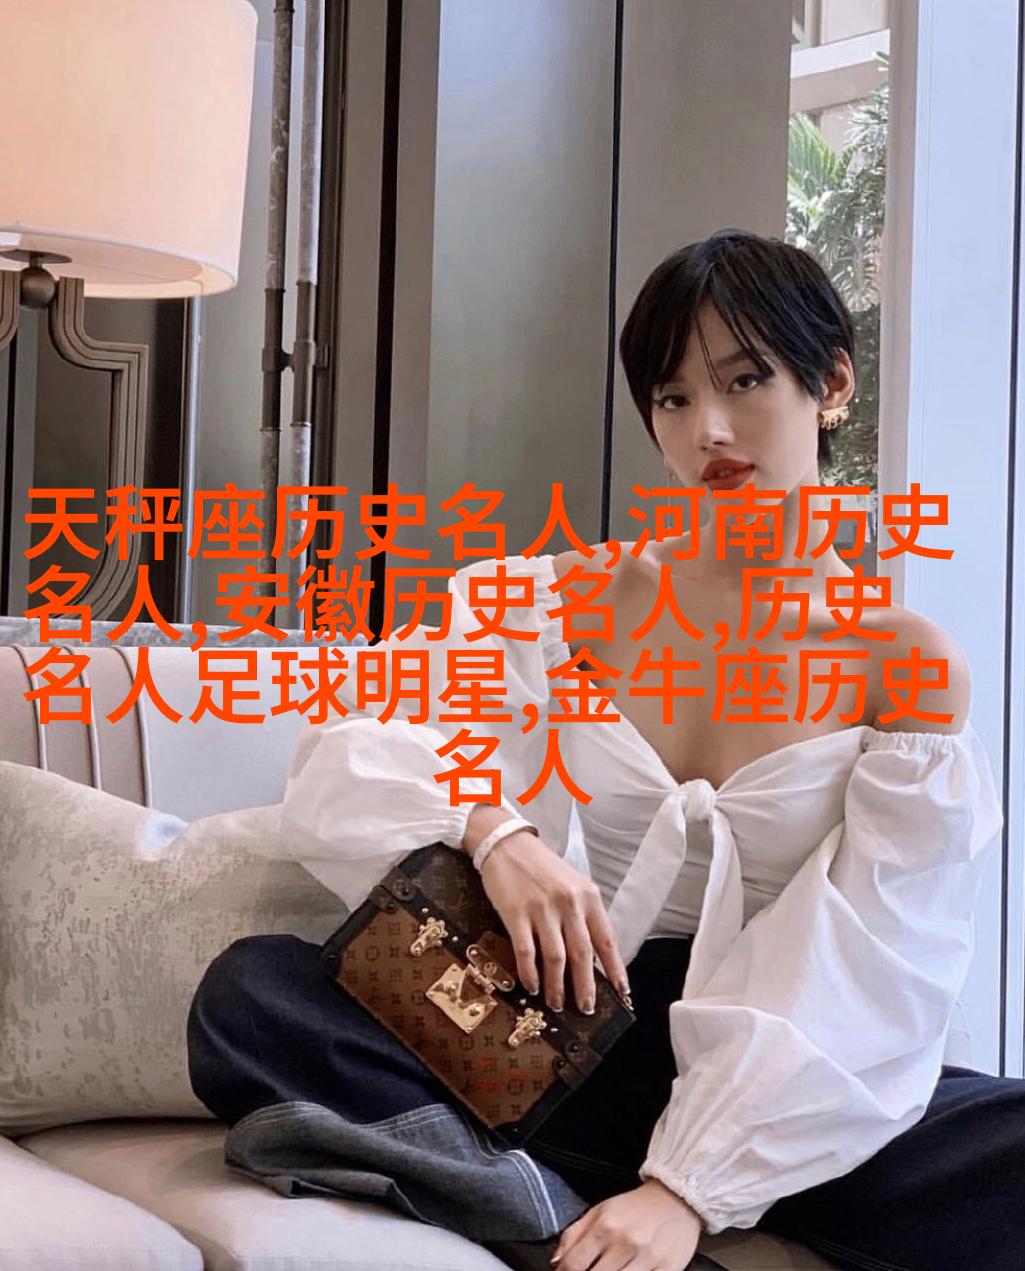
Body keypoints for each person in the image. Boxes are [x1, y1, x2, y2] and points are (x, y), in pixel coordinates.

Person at [184, 229, 1009, 1271]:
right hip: (554, 1038)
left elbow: (876, 963)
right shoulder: (556, 600)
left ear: (832, 383)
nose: (707, 428)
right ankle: (550, 1209)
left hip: (782, 1072)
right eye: (671, 397)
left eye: (744, 379)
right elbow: (352, 752)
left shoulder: (901, 660)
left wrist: (683, 1187)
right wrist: (495, 833)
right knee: (254, 993)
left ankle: (535, 1195)